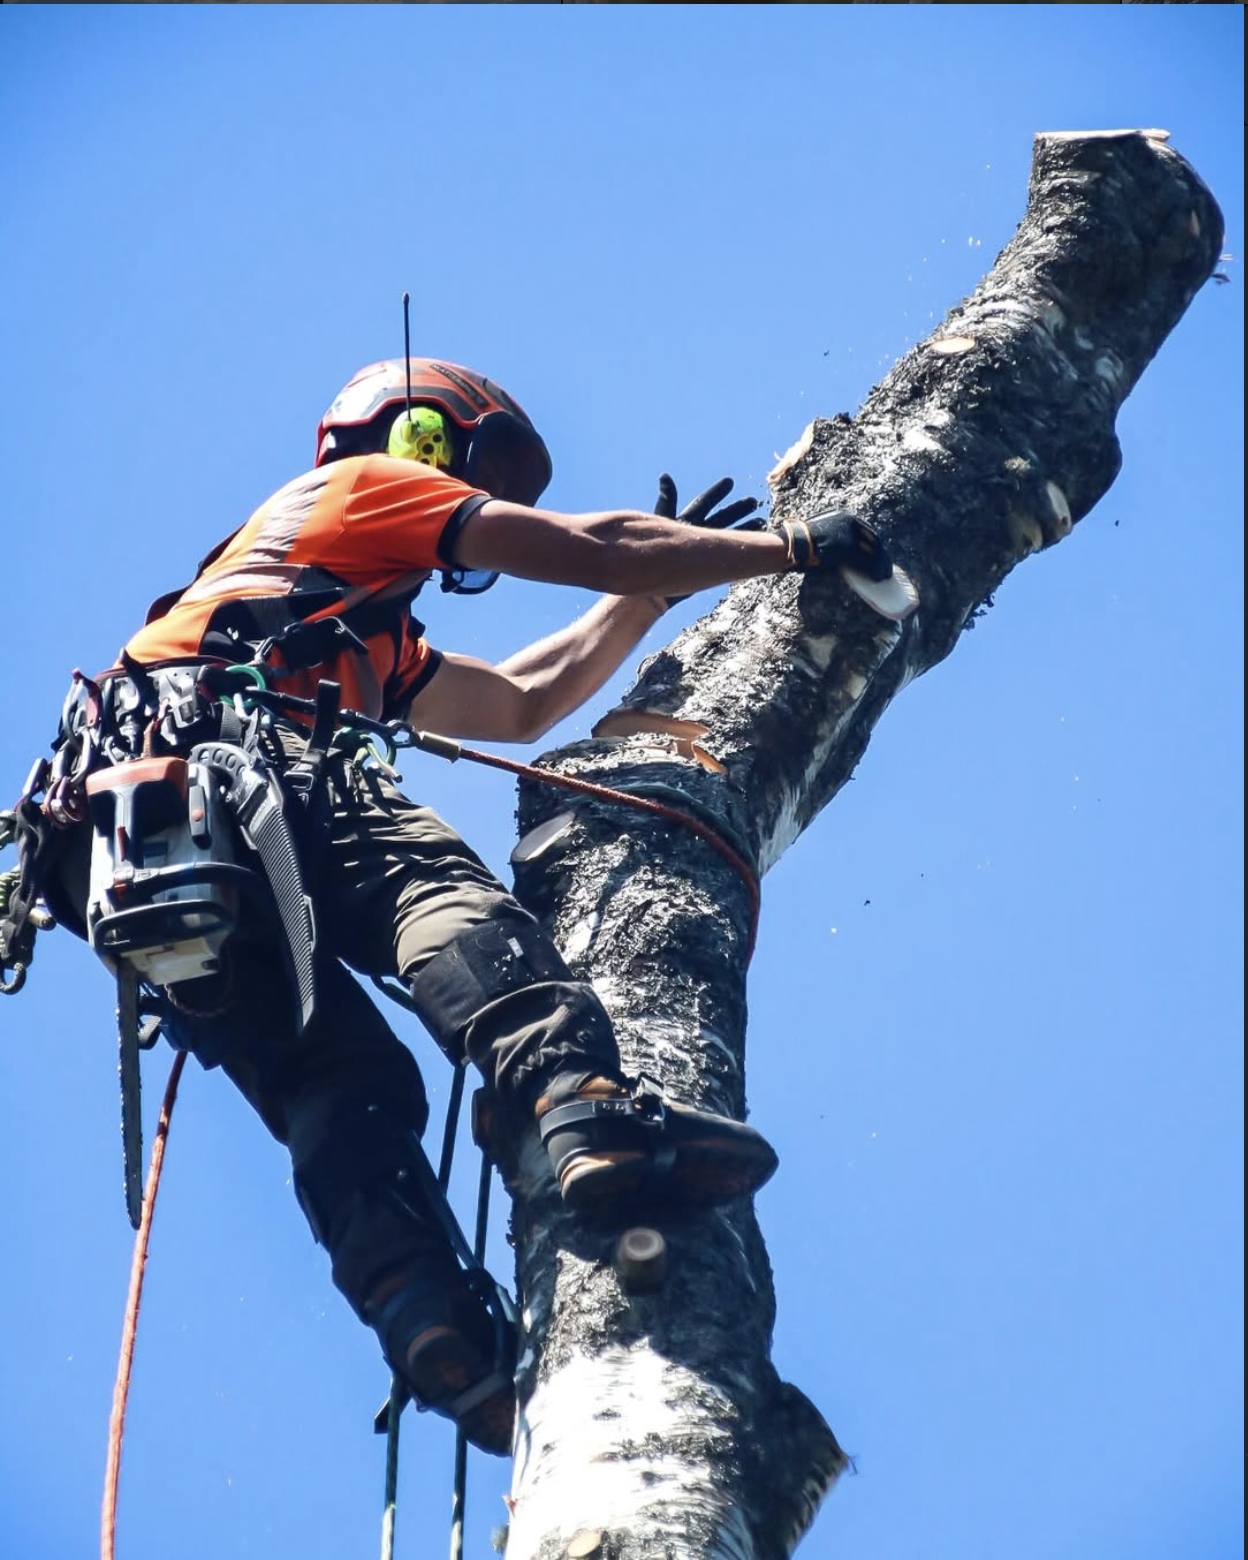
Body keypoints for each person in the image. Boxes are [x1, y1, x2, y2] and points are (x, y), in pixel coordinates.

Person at [23, 357, 907, 1457]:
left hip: (129, 849)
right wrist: (788, 549)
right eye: (476, 472)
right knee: (435, 897)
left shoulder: (339, 625)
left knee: (334, 1078)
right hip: (231, 768)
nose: (473, 507)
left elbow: (524, 700)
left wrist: (643, 601)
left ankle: (424, 1314)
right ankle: (576, 1100)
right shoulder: (353, 492)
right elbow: (596, 543)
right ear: (421, 441)